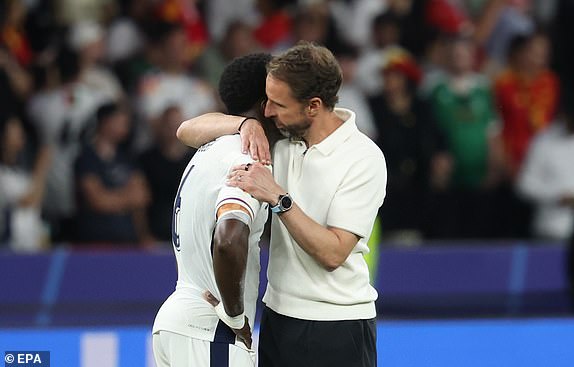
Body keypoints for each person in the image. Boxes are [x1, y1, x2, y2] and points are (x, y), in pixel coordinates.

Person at [177, 41, 387, 367]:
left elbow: (333, 252)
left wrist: (277, 197)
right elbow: (187, 130)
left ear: (313, 106)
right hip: (278, 319)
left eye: (278, 104)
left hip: (336, 325)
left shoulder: (363, 158)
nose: (268, 112)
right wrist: (244, 125)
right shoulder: (278, 138)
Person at [152, 53, 281, 367]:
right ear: (267, 101)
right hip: (211, 330)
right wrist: (235, 317)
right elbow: (227, 238)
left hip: (178, 321)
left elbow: (184, 130)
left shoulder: (208, 149)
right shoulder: (247, 158)